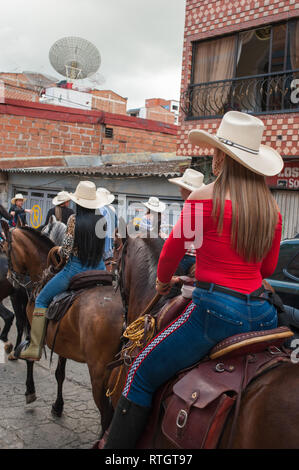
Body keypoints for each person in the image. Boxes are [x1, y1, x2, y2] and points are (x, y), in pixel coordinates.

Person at [103, 111, 284, 449]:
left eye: (215, 151)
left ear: (222, 157)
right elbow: (268, 269)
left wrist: (160, 282)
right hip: (263, 315)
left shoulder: (202, 200)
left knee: (140, 373)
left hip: (212, 316)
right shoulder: (271, 211)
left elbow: (170, 253)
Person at [19, 181, 110, 361]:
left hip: (74, 270)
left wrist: (58, 250)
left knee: (41, 299)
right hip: (99, 268)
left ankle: (35, 347)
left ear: (78, 201)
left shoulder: (73, 220)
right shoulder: (102, 220)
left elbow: (67, 251)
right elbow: (103, 249)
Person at [169, 168, 206, 275]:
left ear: (187, 190)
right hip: (198, 257)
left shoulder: (191, 208)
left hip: (186, 257)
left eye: (182, 187)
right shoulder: (203, 206)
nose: (179, 190)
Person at [97, 187, 117, 272]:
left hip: (101, 245)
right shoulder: (112, 209)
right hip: (110, 246)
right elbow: (116, 227)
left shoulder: (99, 209)